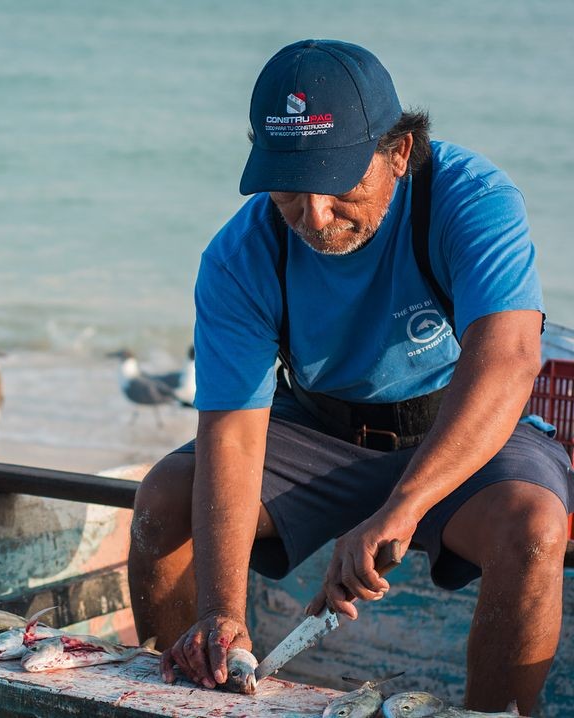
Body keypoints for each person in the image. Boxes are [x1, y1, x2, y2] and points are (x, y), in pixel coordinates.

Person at [127, 39, 573, 714]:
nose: (313, 218)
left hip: (459, 428)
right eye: (288, 191)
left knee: (535, 527)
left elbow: (509, 362)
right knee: (164, 498)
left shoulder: (470, 199)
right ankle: (178, 695)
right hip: (319, 430)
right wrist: (221, 610)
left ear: (399, 152)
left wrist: (400, 509)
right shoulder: (238, 256)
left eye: (338, 186)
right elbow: (234, 435)